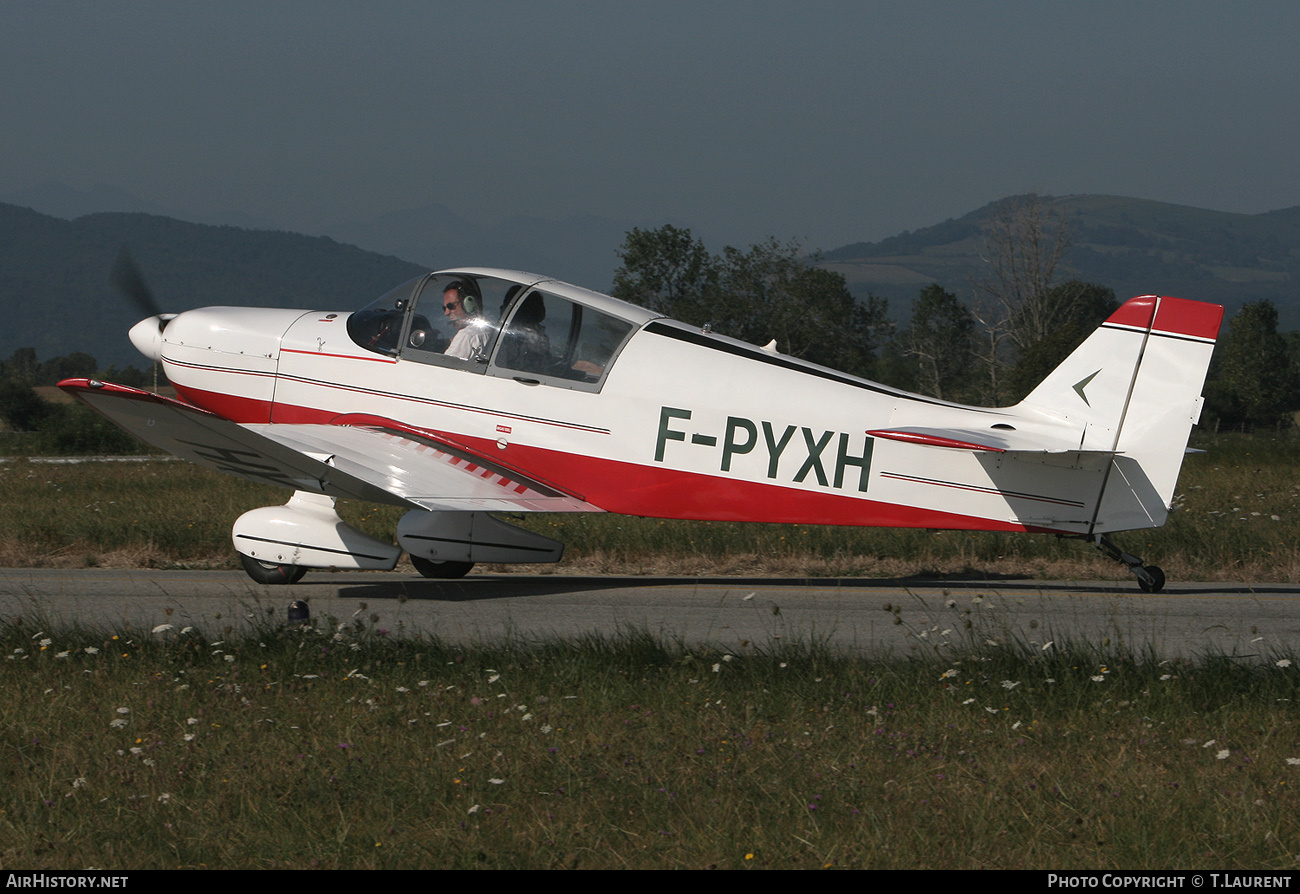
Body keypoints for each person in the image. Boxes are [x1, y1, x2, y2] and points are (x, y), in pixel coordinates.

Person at [442, 282, 491, 360]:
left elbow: (445, 365)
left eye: (450, 306)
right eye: (444, 308)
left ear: (468, 304)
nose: (446, 313)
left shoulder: (466, 335)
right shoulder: (490, 330)